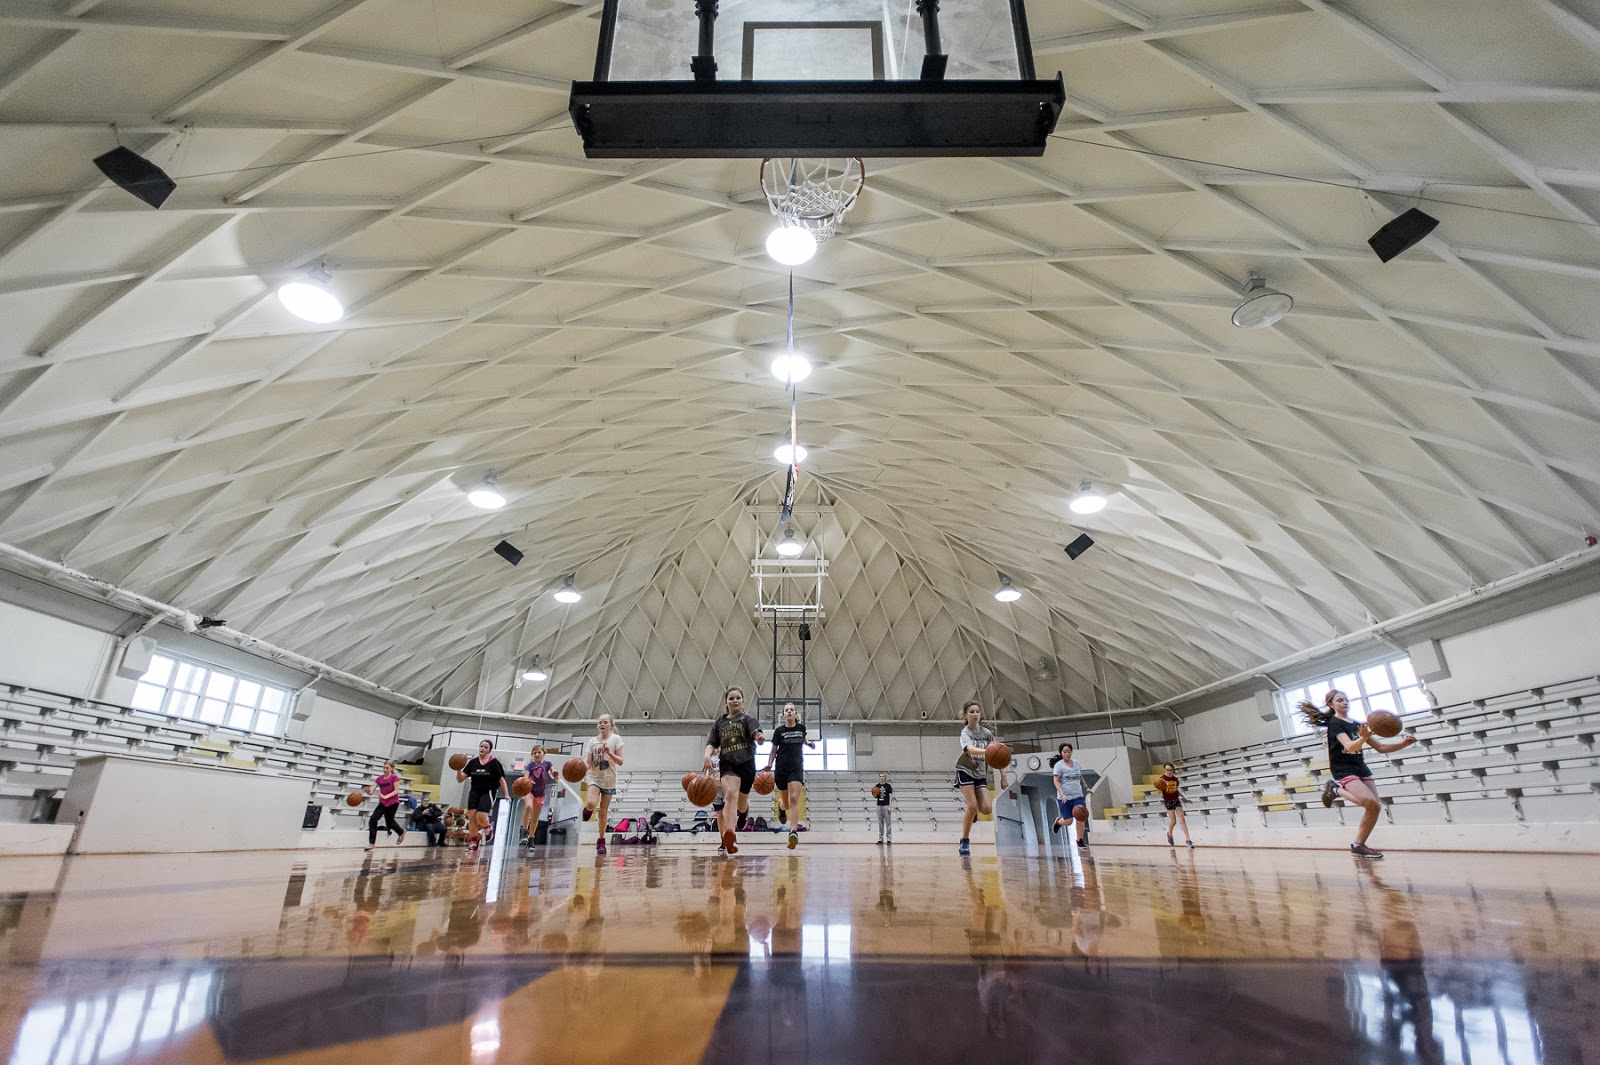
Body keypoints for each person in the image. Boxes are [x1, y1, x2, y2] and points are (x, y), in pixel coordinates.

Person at [1302, 690, 1416, 858]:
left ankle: (1358, 845)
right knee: (1369, 802)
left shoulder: (1357, 724)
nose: (1345, 702)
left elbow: (1381, 748)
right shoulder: (1335, 723)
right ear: (1331, 705)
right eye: (1340, 700)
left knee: (1374, 807)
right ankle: (1338, 791)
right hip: (1343, 768)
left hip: (1360, 767)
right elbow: (1349, 747)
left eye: (1346, 700)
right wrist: (1363, 738)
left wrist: (1404, 743)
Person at [703, 685, 763, 855]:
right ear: (726, 702)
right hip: (728, 764)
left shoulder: (748, 719)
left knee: (741, 803)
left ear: (742, 701)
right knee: (730, 794)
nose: (735, 700)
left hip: (747, 763)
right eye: (731, 698)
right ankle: (730, 835)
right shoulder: (719, 723)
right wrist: (707, 756)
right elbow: (711, 743)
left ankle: (744, 811)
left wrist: (758, 737)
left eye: (738, 698)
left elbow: (755, 733)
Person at [954, 700, 1008, 857]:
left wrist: (1003, 776)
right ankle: (964, 840)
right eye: (971, 711)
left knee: (986, 808)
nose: (975, 714)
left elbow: (998, 758)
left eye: (977, 711)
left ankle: (973, 809)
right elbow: (970, 749)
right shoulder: (965, 733)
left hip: (980, 773)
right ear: (965, 715)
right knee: (972, 806)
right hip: (965, 769)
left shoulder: (987, 733)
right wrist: (988, 752)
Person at [764, 702, 815, 849]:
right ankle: (781, 806)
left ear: (795, 713)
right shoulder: (779, 731)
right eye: (786, 710)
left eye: (792, 710)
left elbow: (804, 739)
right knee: (786, 803)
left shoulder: (801, 728)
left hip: (796, 768)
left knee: (794, 799)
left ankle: (793, 832)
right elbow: (773, 751)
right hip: (781, 768)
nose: (789, 712)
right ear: (783, 714)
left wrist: (809, 743)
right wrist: (769, 764)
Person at [582, 714, 625, 854]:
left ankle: (601, 840)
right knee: (591, 803)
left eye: (605, 722)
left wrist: (609, 753)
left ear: (611, 725)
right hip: (594, 777)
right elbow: (588, 762)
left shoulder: (616, 739)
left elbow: (620, 761)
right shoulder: (592, 741)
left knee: (603, 812)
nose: (602, 724)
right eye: (599, 722)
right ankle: (587, 810)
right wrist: (581, 769)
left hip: (609, 779)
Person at [455, 739, 508, 852]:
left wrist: (506, 794)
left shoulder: (494, 763)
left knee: (481, 816)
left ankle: (488, 828)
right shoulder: (473, 762)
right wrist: (458, 769)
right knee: (472, 818)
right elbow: (460, 779)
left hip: (488, 791)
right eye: (481, 746)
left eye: (485, 747)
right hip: (474, 791)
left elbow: (501, 779)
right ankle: (474, 841)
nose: (482, 749)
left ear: (489, 750)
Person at [1050, 743, 1090, 850]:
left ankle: (1079, 840)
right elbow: (1056, 781)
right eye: (1065, 752)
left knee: (1080, 817)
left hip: (1078, 796)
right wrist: (1062, 794)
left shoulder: (1076, 764)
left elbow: (1080, 777)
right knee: (1068, 821)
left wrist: (1086, 787)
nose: (1067, 754)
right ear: (1061, 753)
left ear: (1071, 752)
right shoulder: (1059, 766)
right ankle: (1058, 822)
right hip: (1064, 797)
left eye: (1069, 752)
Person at [522, 744, 557, 848]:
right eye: (535, 753)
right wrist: (528, 780)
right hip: (529, 791)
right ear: (532, 754)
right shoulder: (530, 766)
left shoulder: (547, 764)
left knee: (535, 818)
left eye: (539, 752)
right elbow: (525, 777)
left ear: (544, 753)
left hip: (540, 793)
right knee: (528, 806)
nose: (537, 754)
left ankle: (531, 839)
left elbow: (553, 771)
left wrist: (555, 774)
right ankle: (525, 831)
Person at [365, 760, 407, 847]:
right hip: (383, 803)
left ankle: (401, 832)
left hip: (392, 803)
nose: (384, 769)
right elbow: (372, 789)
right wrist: (369, 791)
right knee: (373, 819)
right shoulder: (379, 779)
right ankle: (372, 843)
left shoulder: (394, 777)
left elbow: (396, 791)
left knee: (390, 823)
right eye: (384, 767)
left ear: (392, 768)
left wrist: (385, 796)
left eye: (387, 768)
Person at [1152, 762, 1192, 848]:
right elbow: (1159, 789)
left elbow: (1176, 790)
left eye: (1171, 770)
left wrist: (1184, 799)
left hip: (1176, 799)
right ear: (1164, 770)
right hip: (1168, 800)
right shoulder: (1162, 779)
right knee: (1174, 821)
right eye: (1167, 770)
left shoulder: (1175, 779)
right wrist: (1160, 788)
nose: (1169, 771)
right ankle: (1169, 834)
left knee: (1182, 819)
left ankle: (1188, 840)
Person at [874, 771, 894, 845]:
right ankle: (880, 839)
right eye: (880, 776)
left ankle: (889, 839)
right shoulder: (876, 786)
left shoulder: (888, 786)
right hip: (879, 806)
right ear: (879, 777)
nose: (882, 777)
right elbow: (875, 795)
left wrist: (889, 806)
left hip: (886, 806)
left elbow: (890, 796)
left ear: (885, 778)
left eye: (883, 776)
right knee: (880, 823)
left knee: (888, 823)